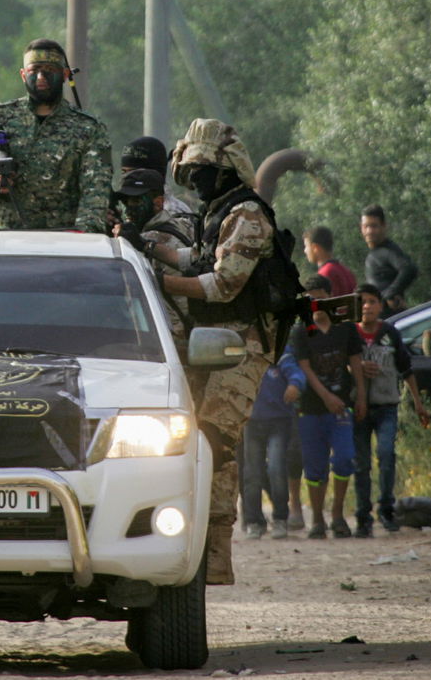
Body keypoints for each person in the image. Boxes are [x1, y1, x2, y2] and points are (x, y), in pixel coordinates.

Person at [137, 118, 279, 583]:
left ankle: (213, 557)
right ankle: (195, 551)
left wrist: (159, 282)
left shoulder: (248, 216)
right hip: (213, 342)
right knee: (190, 442)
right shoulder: (218, 211)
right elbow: (195, 259)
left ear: (225, 169)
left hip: (243, 345)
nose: (194, 177)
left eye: (203, 168)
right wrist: (147, 249)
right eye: (190, 168)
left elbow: (221, 284)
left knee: (214, 443)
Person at [0, 39, 112, 233]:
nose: (41, 77)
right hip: (5, 239)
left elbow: (96, 190)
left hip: (62, 240)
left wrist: (84, 236)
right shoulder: (0, 118)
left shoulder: (88, 128)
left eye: (50, 70)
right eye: (34, 70)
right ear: (23, 75)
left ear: (64, 75)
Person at [352, 283, 431, 537]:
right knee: (361, 463)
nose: (367, 307)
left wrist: (418, 402)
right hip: (358, 408)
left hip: (387, 405)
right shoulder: (349, 333)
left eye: (372, 302)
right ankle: (363, 515)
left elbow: (406, 368)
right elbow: (340, 364)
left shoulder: (389, 332)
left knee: (386, 455)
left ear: (380, 305)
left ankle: (386, 509)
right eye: (362, 302)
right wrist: (357, 367)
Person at [292, 275, 366, 539]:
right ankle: (317, 519)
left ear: (330, 297)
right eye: (310, 299)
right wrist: (325, 396)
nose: (316, 303)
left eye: (320, 297)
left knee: (345, 459)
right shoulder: (302, 331)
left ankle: (337, 515)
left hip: (341, 407)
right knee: (314, 467)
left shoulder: (345, 329)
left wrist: (361, 396)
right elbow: (304, 367)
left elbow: (355, 362)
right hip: (311, 409)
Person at [111, 167, 193, 347]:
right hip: (183, 335)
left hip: (171, 338)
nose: (128, 208)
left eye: (136, 200)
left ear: (158, 202)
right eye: (125, 201)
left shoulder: (151, 239)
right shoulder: (183, 224)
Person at [240, 341, 305, 539]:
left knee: (276, 469)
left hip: (279, 421)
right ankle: (254, 522)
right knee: (251, 473)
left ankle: (280, 518)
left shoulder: (279, 352)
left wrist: (295, 385)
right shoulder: (242, 354)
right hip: (251, 421)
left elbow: (296, 373)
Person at [360, 204, 419, 316]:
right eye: (365, 226)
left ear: (383, 226)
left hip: (392, 319)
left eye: (374, 226)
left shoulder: (387, 251)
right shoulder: (375, 254)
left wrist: (390, 294)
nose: (369, 231)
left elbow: (409, 268)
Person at [120, 136, 192, 217]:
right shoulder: (126, 208)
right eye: (124, 172)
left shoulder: (173, 213)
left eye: (132, 173)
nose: (126, 178)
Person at [303, 226, 355, 297]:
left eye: (306, 246)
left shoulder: (325, 273)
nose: (305, 251)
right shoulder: (346, 271)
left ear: (315, 248)